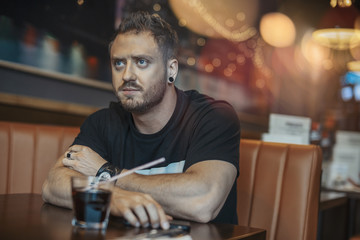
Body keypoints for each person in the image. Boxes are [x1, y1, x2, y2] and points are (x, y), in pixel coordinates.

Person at [42, 11, 240, 230]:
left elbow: (203, 201)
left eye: (142, 62)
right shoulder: (102, 123)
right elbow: (54, 184)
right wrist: (114, 198)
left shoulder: (212, 117)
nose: (127, 75)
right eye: (118, 63)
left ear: (171, 70)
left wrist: (107, 174)